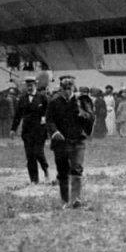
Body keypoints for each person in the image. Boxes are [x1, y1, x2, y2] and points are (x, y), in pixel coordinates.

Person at [45, 75, 95, 209]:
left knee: (77, 168)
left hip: (77, 141)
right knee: (62, 171)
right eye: (64, 88)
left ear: (73, 88)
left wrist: (83, 114)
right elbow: (49, 120)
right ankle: (64, 200)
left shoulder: (82, 101)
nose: (66, 91)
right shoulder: (54, 102)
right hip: (60, 142)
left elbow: (91, 117)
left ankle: (75, 199)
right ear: (60, 89)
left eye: (69, 88)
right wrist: (54, 132)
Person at [10, 76, 50, 184]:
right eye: (28, 85)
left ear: (35, 85)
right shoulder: (22, 99)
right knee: (30, 156)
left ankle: (46, 170)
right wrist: (13, 129)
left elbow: (49, 112)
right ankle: (34, 180)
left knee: (38, 153)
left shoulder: (42, 98)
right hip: (27, 132)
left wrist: (44, 118)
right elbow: (17, 115)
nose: (29, 87)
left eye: (31, 85)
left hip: (39, 131)